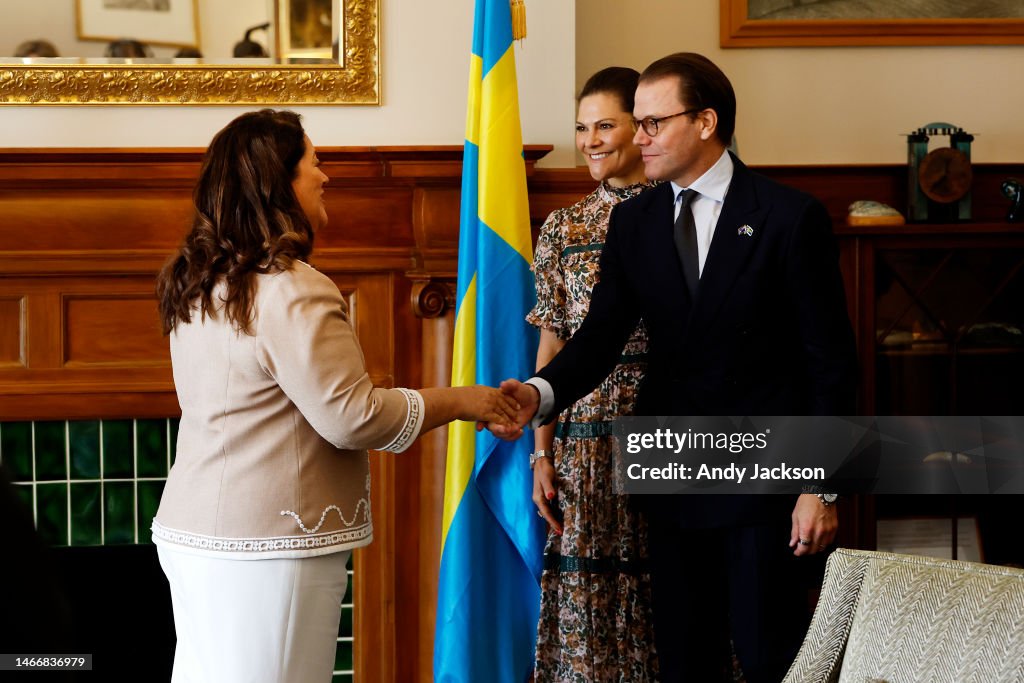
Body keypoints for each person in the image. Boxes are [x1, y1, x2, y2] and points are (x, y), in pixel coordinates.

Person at [493, 53, 857, 682]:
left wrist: (820, 487)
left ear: (707, 122)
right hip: (673, 475)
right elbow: (599, 337)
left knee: (772, 658)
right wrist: (538, 394)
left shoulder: (790, 216)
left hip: (765, 483)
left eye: (653, 123)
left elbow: (830, 364)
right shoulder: (635, 222)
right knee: (688, 663)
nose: (638, 138)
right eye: (636, 123)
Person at [152, 109, 517, 683]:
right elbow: (354, 417)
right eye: (314, 163)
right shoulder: (294, 288)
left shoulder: (198, 283)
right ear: (280, 184)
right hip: (270, 548)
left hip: (193, 535)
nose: (325, 177)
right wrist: (464, 400)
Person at [528, 66, 658, 682]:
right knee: (589, 603)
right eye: (582, 128)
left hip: (669, 432)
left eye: (605, 124)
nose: (590, 140)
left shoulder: (681, 214)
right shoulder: (562, 228)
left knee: (670, 595)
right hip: (582, 442)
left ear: (644, 126)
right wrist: (540, 454)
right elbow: (552, 342)